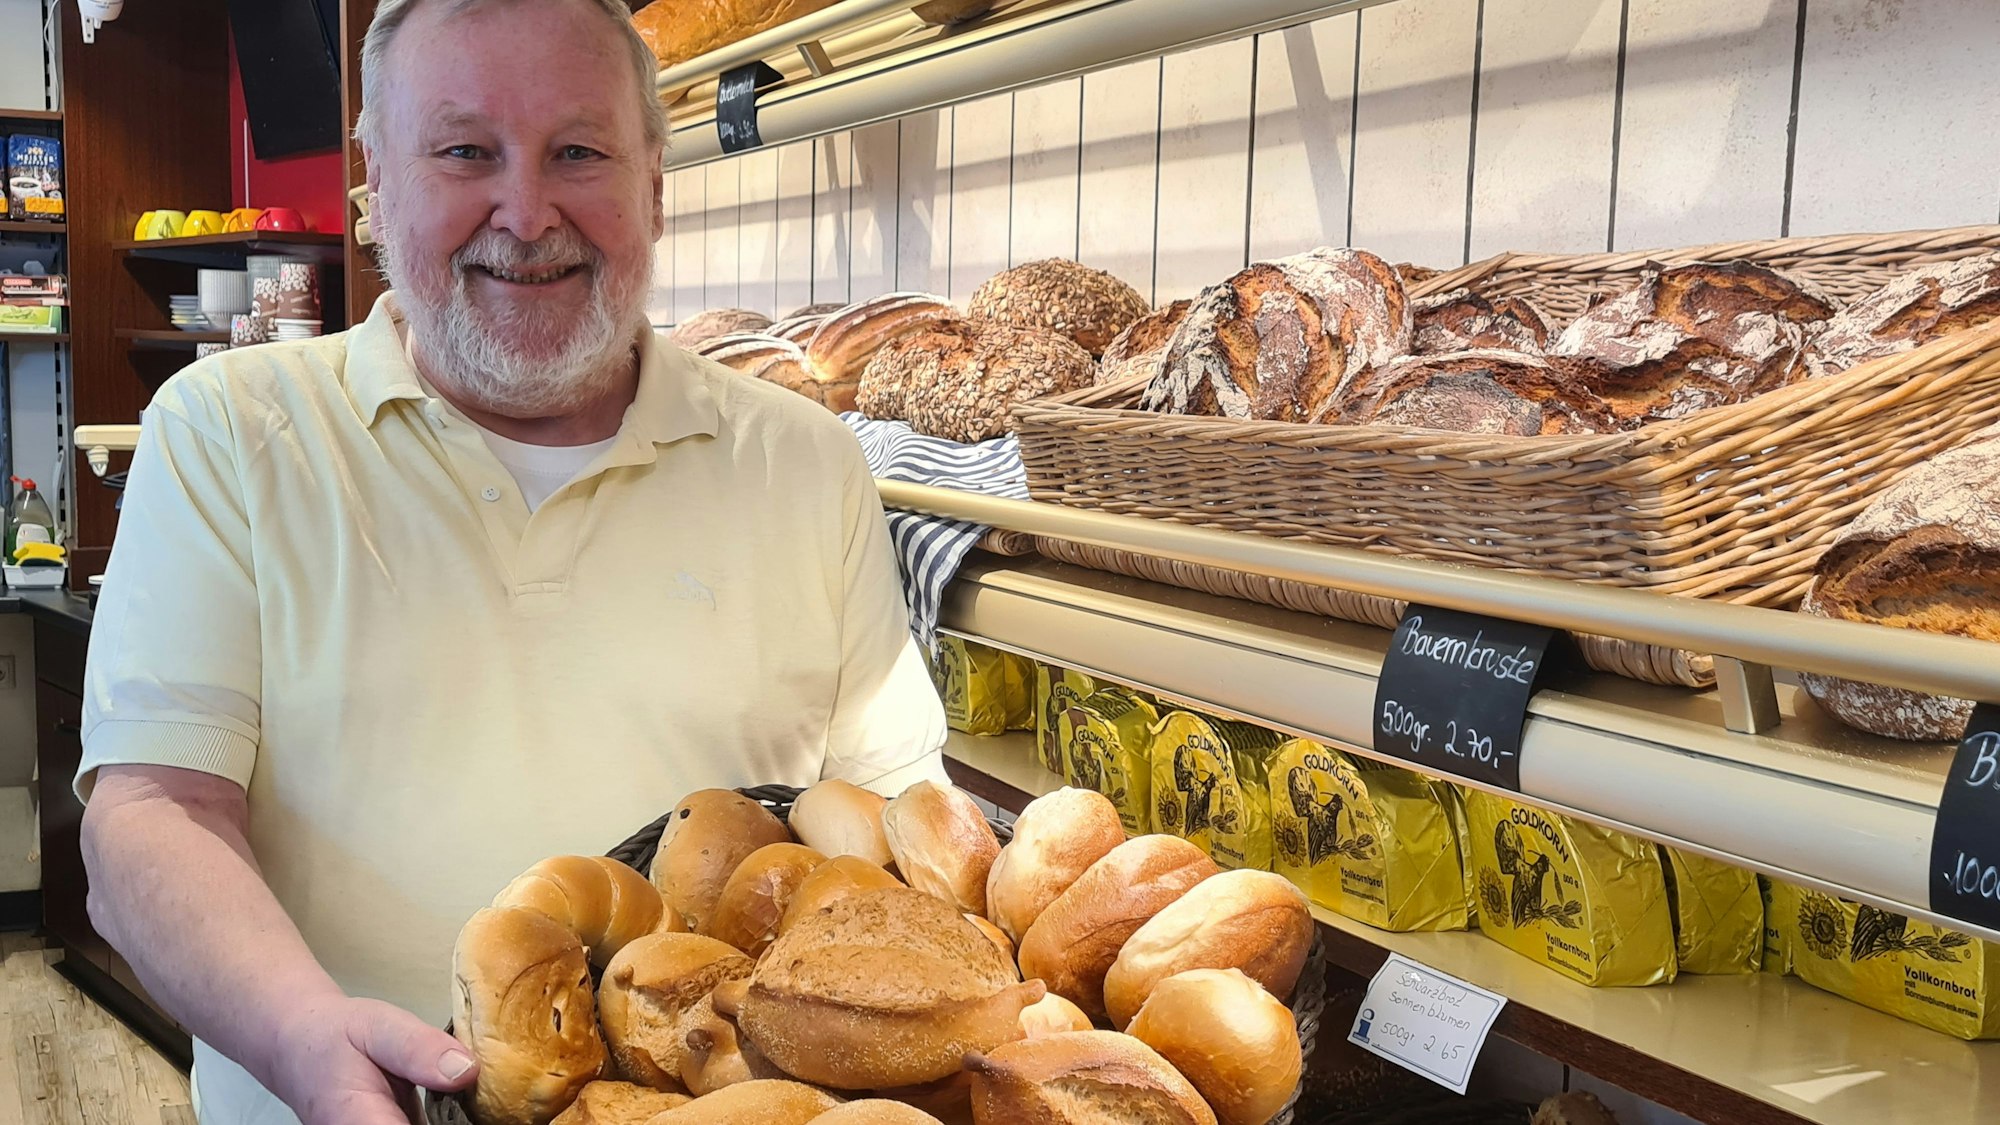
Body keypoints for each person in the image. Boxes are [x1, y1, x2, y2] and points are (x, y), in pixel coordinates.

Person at [75, 1, 947, 1122]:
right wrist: (304, 1039)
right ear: (377, 189)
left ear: (653, 190)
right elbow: (152, 815)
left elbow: (889, 818)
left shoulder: (805, 462)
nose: (526, 212)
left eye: (578, 152)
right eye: (465, 153)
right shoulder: (233, 434)